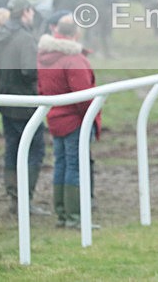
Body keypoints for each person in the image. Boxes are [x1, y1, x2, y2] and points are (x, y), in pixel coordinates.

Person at [0, 0, 50, 216]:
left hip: (5, 103)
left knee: (12, 150)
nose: (33, 14)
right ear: (25, 12)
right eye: (31, 10)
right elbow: (29, 71)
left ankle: (13, 197)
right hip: (26, 104)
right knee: (35, 151)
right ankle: (24, 201)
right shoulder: (25, 38)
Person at [37, 14, 99, 229]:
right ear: (76, 33)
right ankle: (74, 217)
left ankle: (63, 213)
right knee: (74, 166)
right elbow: (84, 97)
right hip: (75, 122)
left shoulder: (44, 55)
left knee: (61, 164)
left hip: (55, 120)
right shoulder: (75, 59)